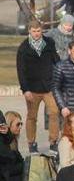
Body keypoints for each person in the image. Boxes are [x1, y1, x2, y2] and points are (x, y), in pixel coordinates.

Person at [17, 20, 61, 153]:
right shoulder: (24, 48)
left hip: (49, 87)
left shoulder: (49, 43)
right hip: (32, 89)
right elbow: (21, 70)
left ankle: (53, 142)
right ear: (29, 31)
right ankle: (31, 143)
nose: (36, 33)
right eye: (34, 31)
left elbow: (56, 61)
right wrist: (25, 89)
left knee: (54, 112)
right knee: (32, 116)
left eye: (38, 31)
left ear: (42, 30)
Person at [0, 111, 24, 181]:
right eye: (18, 124)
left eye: (21, 124)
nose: (20, 127)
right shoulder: (8, 142)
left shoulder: (12, 139)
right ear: (9, 125)